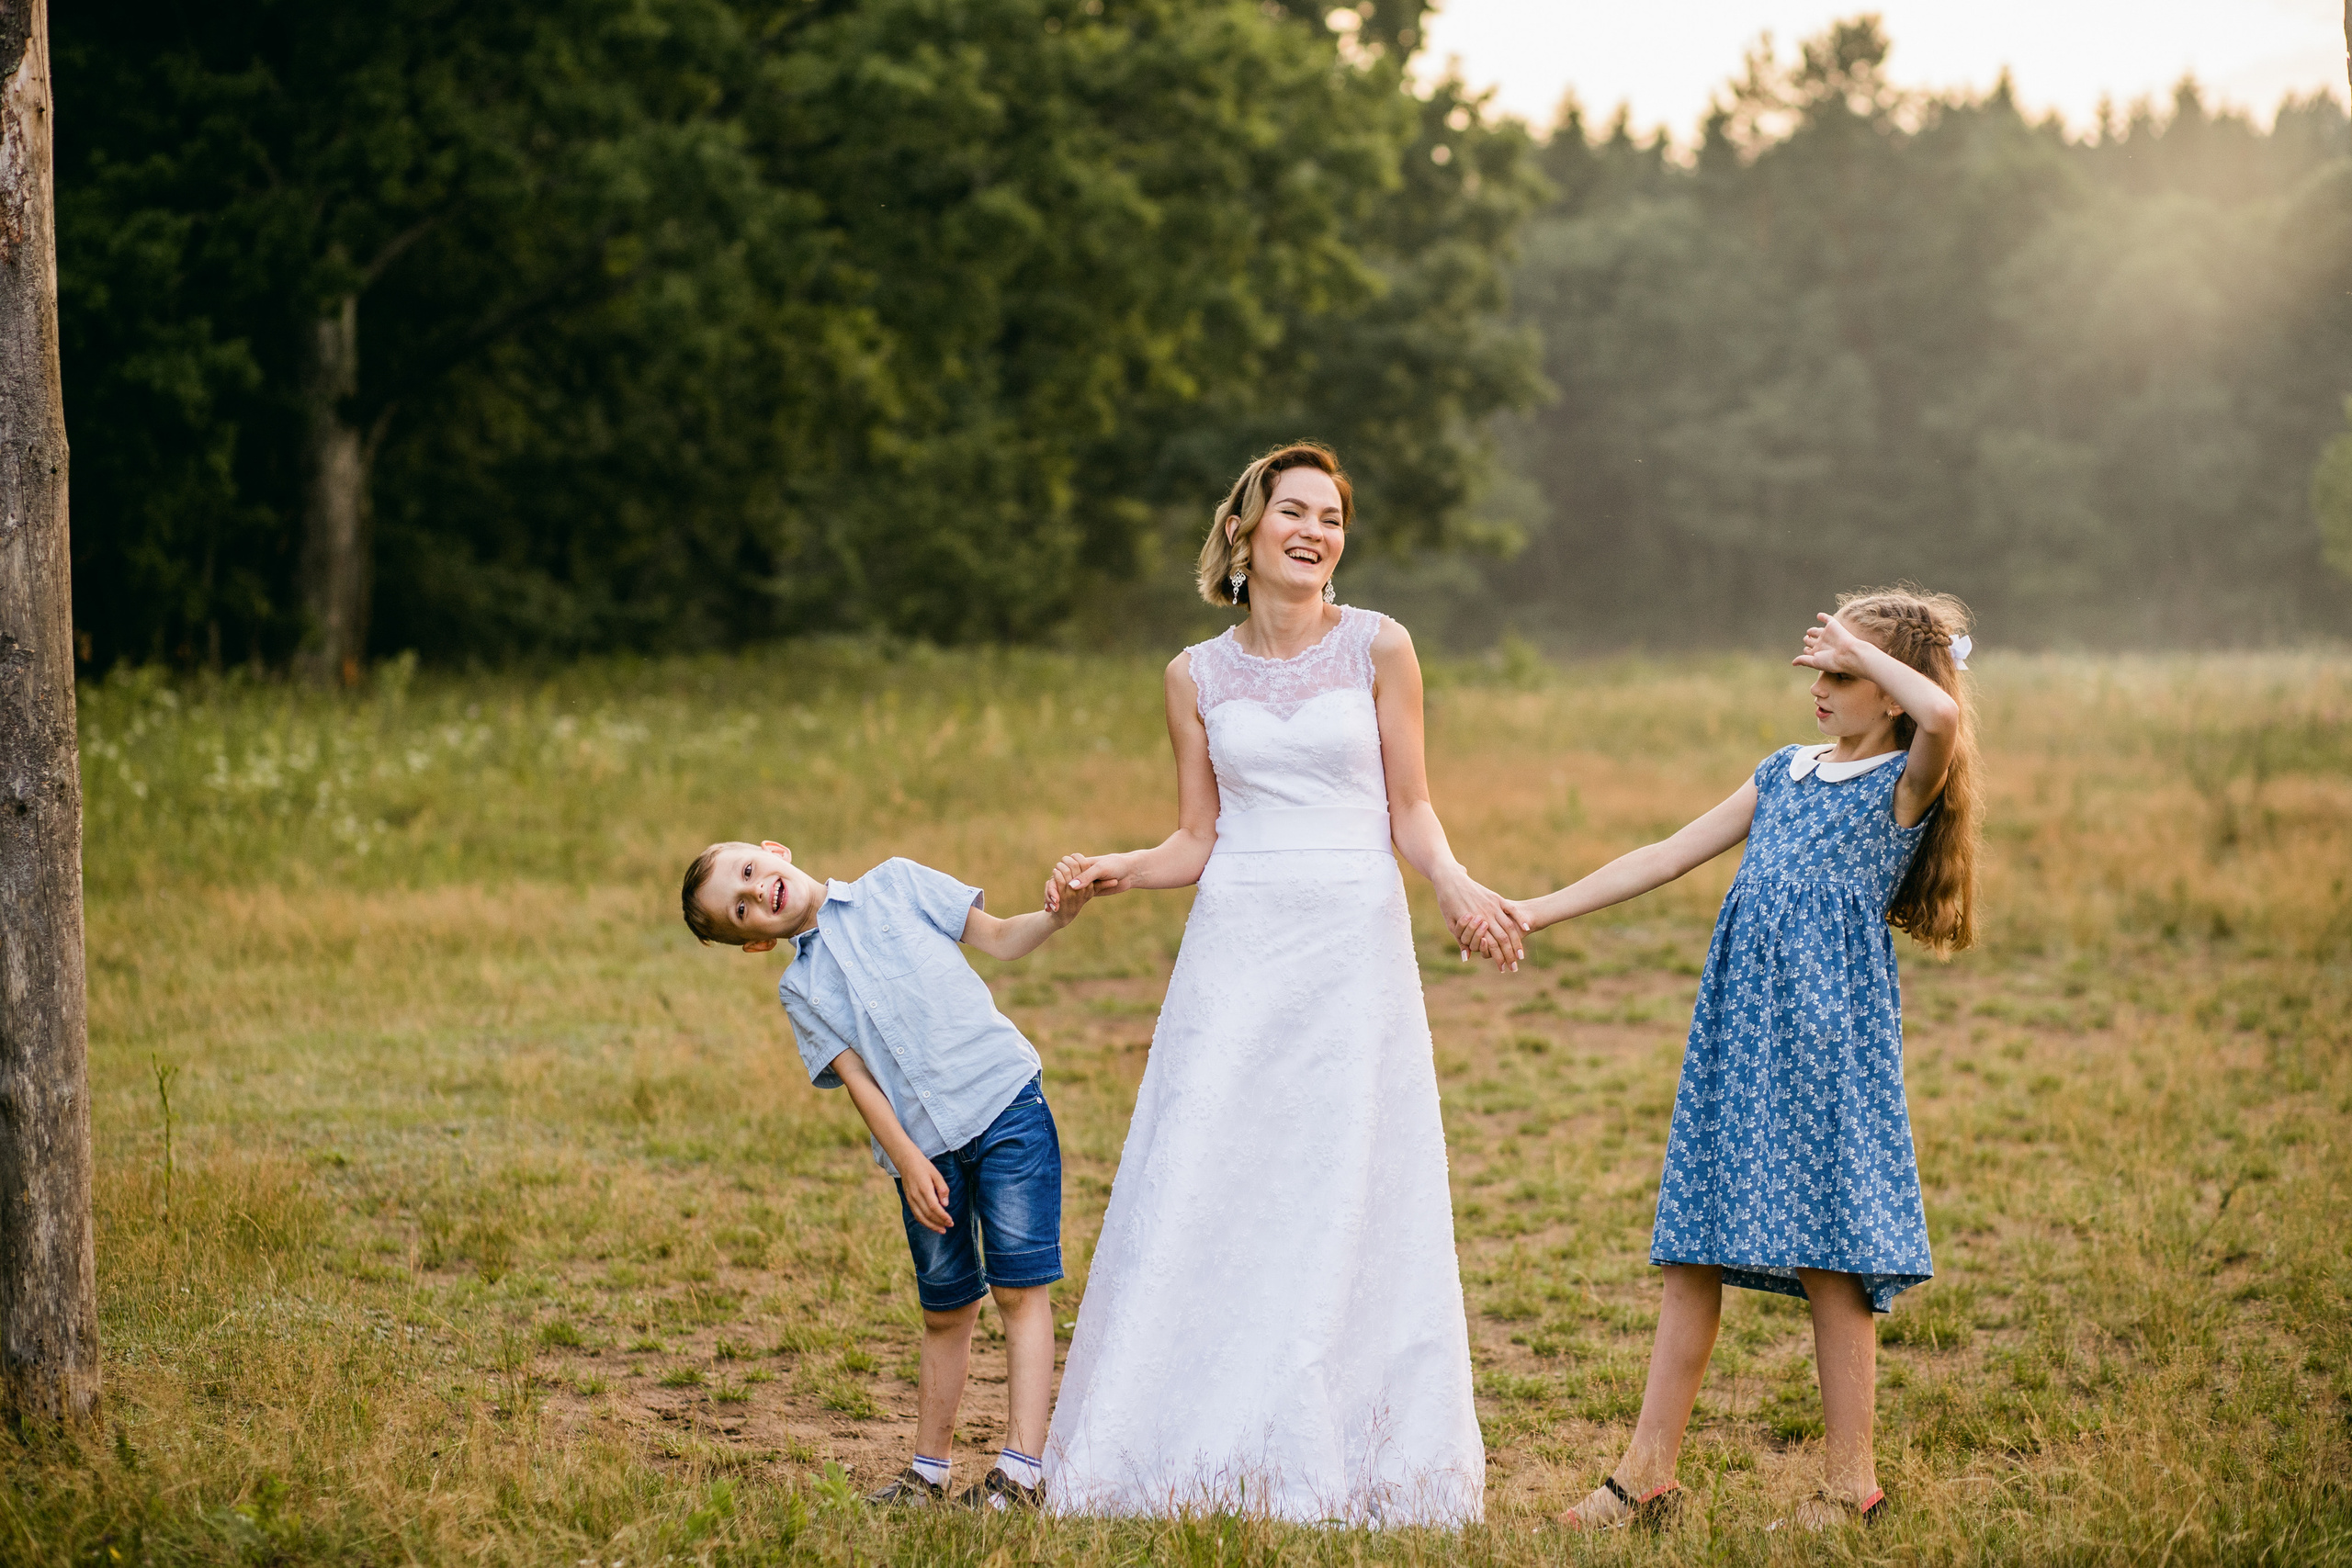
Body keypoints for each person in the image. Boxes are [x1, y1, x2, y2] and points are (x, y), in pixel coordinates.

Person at [1040, 442, 1521, 1526]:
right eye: (1293, 512)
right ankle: (1175, 1441)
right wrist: (1123, 865)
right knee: (1214, 1165)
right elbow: (1197, 836)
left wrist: (1451, 882)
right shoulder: (1193, 675)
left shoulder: (1380, 646)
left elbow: (1410, 808)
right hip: (1239, 944)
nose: (1315, 531)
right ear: (1244, 533)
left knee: (1340, 1172)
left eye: (1332, 518)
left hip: (1352, 940)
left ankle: (1345, 1439)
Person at [1487, 587, 1982, 1532]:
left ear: (1890, 690)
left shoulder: (1904, 784)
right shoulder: (1782, 771)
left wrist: (1867, 650)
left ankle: (1850, 1488)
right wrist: (1536, 909)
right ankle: (1643, 1480)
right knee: (1692, 1250)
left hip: (1828, 1047)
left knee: (1830, 1263)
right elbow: (1667, 854)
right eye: (1821, 670)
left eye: (1844, 674)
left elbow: (1943, 713)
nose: (1823, 688)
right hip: (1738, 1036)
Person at [680, 840, 1096, 1510]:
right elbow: (858, 1080)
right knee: (947, 1306)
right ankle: (927, 1475)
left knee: (1021, 1290)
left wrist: (1056, 915)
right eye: (741, 908)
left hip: (1005, 1103)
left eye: (750, 872)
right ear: (754, 943)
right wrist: (907, 1160)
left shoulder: (896, 885)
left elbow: (997, 937)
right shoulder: (800, 988)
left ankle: (1021, 1471)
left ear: (773, 850)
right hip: (925, 1154)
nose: (758, 893)